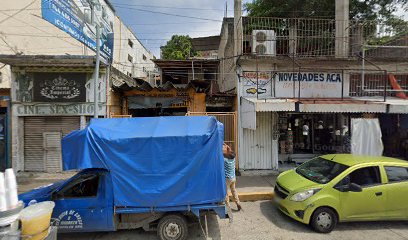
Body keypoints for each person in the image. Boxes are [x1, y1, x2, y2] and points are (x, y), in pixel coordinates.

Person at [223, 143, 242, 211]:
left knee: (226, 193)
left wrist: (223, 146)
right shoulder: (233, 160)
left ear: (228, 155)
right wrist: (226, 146)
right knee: (234, 191)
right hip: (233, 178)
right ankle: (238, 203)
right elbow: (231, 152)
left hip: (227, 179)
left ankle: (228, 206)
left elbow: (220, 154)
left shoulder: (225, 160)